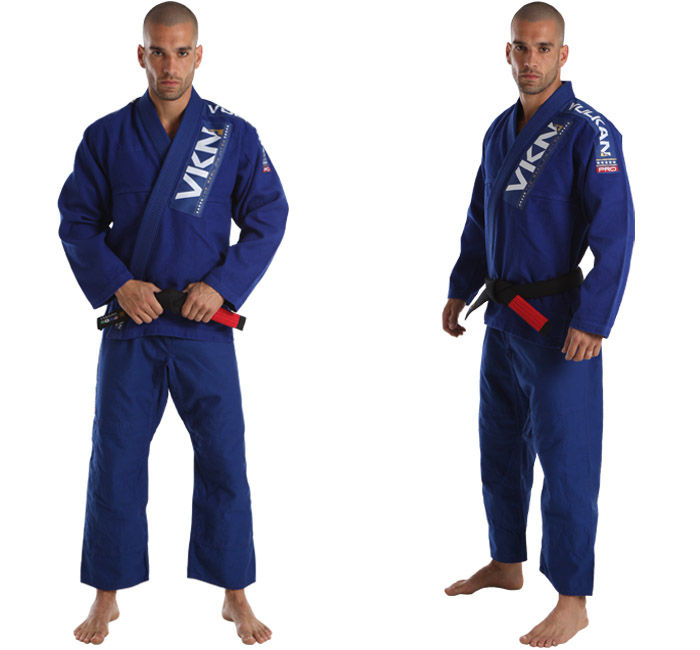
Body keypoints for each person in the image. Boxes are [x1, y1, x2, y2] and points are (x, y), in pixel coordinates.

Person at [58, 2, 287, 645]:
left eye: (182, 52)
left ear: (199, 55)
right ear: (141, 55)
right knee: (116, 459)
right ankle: (106, 596)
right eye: (158, 52)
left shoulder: (231, 135)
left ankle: (234, 593)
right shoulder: (105, 136)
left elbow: (269, 215)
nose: (170, 65)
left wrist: (223, 286)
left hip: (200, 324)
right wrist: (117, 283)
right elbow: (77, 221)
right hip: (132, 323)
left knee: (224, 458)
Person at [441, 2, 633, 646]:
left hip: (559, 324)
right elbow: (480, 217)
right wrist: (460, 287)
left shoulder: (590, 131)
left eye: (543, 48)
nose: (531, 60)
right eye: (521, 47)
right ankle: (506, 562)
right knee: (499, 445)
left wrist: (595, 320)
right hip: (502, 317)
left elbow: (616, 234)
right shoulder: (500, 130)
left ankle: (573, 600)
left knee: (568, 460)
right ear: (508, 51)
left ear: (563, 55)